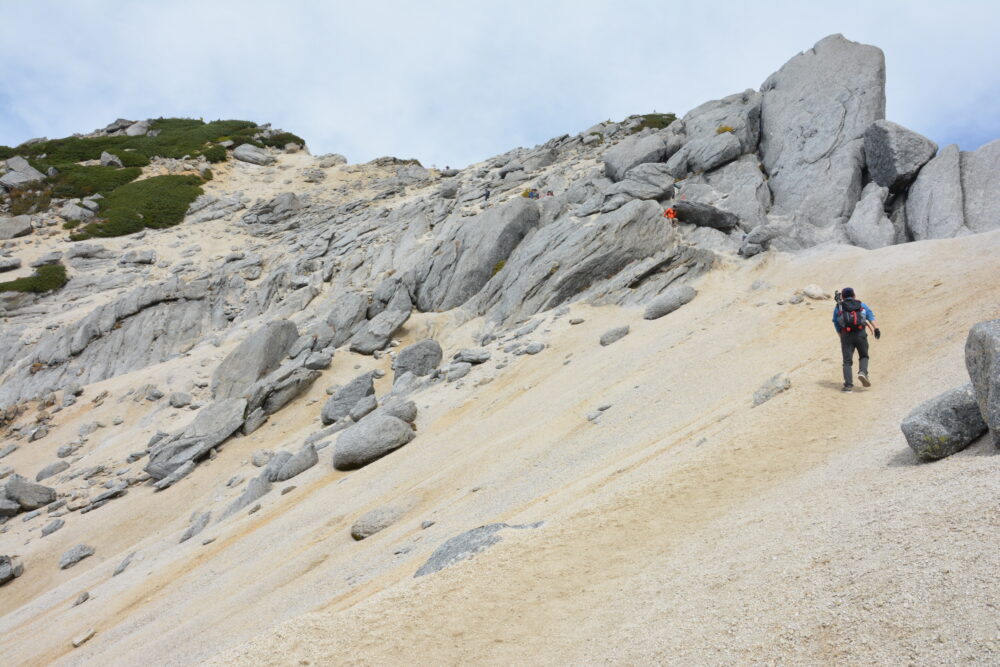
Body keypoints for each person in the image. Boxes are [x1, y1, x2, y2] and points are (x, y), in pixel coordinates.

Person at [832, 287, 880, 392]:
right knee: (863, 355)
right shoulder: (861, 305)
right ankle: (863, 372)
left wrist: (841, 335)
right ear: (854, 295)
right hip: (860, 333)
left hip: (846, 335)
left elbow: (836, 322)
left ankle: (848, 386)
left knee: (847, 361)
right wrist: (876, 329)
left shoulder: (839, 307)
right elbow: (870, 316)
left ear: (843, 297)